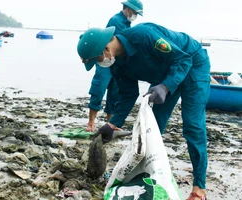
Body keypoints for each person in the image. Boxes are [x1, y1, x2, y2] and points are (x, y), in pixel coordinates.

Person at [77, 23, 210, 200]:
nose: (99, 64)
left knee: (193, 125)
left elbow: (183, 59)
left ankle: (199, 188)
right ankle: (150, 175)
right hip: (167, 75)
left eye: (97, 60)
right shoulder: (116, 64)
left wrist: (165, 86)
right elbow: (128, 95)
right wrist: (112, 124)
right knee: (152, 128)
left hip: (193, 63)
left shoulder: (144, 36)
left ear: (106, 49)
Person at [85, 0, 143, 132]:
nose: (135, 16)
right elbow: (125, 40)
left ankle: (111, 123)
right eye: (135, 12)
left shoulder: (128, 24)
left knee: (115, 92)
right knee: (99, 88)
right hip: (106, 59)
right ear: (127, 9)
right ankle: (91, 123)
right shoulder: (116, 20)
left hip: (117, 63)